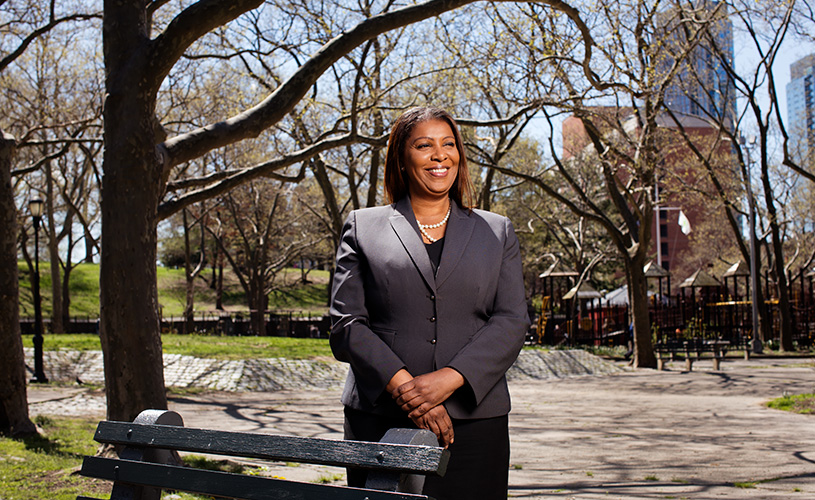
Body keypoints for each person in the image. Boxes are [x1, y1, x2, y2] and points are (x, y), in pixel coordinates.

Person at [329, 106, 530, 500]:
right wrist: (410, 391)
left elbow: (511, 321)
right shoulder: (362, 226)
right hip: (379, 419)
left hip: (475, 421)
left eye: (448, 144)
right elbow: (347, 325)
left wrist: (449, 379)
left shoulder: (496, 230)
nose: (440, 155)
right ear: (402, 159)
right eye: (424, 145)